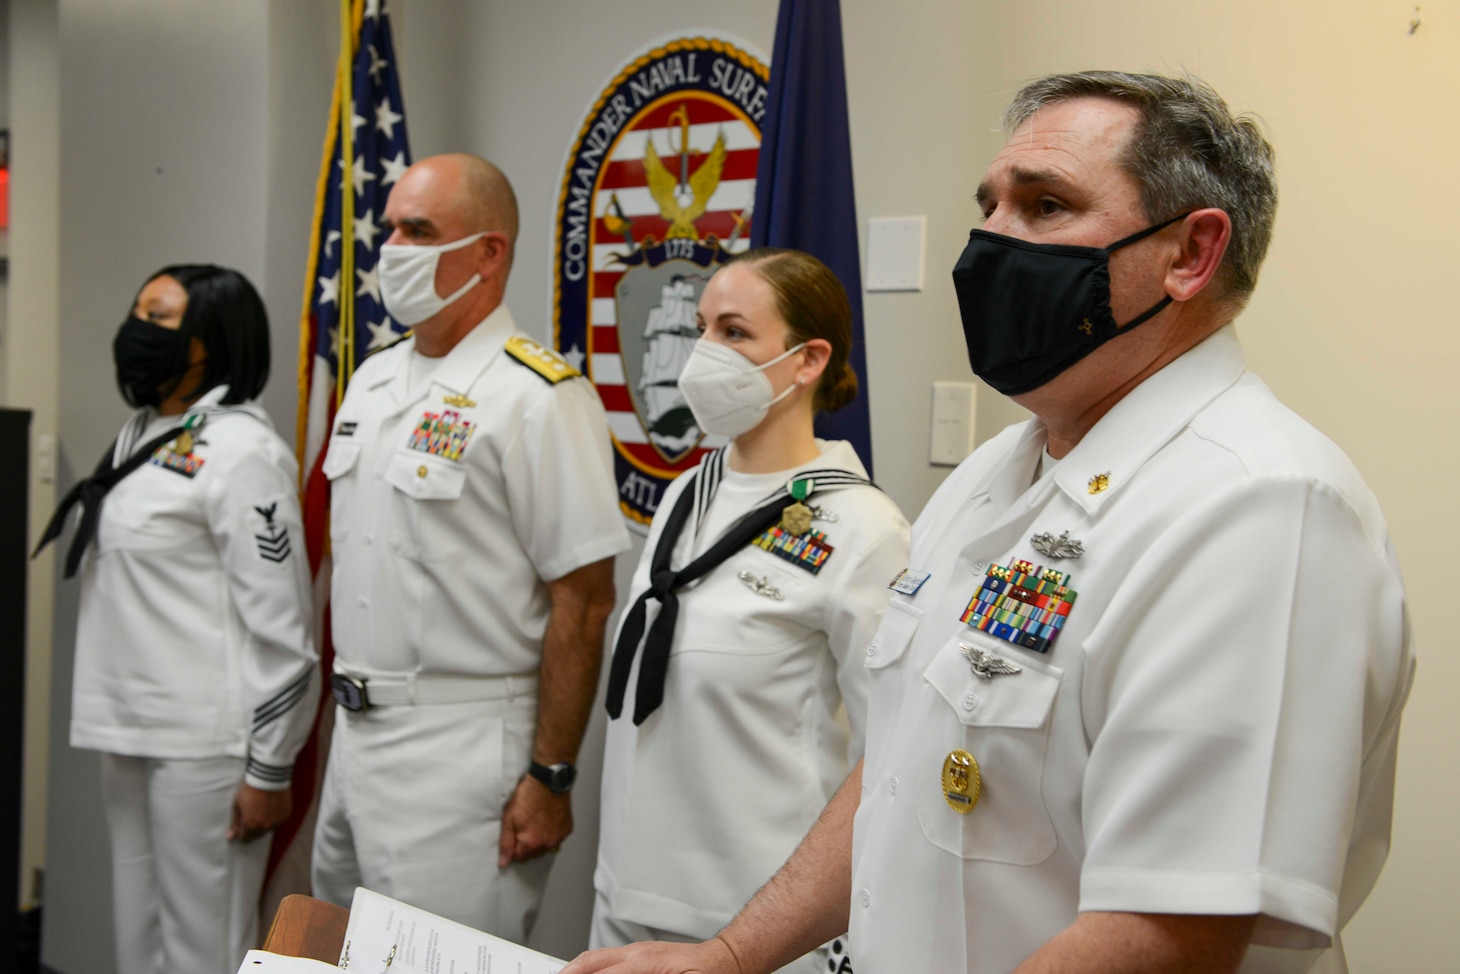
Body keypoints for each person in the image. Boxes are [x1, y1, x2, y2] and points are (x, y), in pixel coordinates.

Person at [562, 71, 1414, 974]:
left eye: (1046, 206)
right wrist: (731, 956)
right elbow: (896, 770)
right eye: (991, 206)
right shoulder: (993, 475)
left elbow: (1166, 935)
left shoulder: (1258, 506)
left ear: (1191, 255)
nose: (991, 242)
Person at [311, 153, 631, 940]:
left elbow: (584, 601)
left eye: (418, 231)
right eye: (390, 228)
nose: (392, 249)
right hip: (353, 737)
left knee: (436, 959)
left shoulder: (538, 397)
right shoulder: (375, 380)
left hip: (461, 749)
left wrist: (550, 775)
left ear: (489, 254)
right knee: (329, 954)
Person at [591, 249, 910, 972]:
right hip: (626, 895)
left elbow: (891, 754)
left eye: (734, 333)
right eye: (702, 328)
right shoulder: (686, 493)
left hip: (753, 927)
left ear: (807, 361)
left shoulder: (862, 528)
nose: (704, 354)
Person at [37, 264, 319, 974]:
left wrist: (270, 766)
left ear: (208, 341)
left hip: (207, 745)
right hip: (131, 728)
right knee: (139, 941)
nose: (136, 329)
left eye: (158, 317)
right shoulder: (146, 432)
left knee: (203, 950)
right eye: (137, 311)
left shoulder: (242, 452)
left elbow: (284, 631)